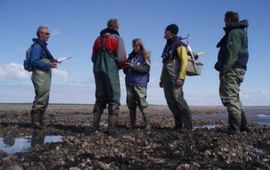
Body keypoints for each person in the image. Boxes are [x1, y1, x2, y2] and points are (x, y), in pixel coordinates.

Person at [215, 11, 249, 134]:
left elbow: (232, 54)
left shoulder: (234, 33)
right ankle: (243, 126)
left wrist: (223, 70)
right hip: (239, 68)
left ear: (229, 19)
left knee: (230, 98)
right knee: (235, 98)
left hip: (232, 69)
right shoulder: (240, 32)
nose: (224, 22)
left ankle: (234, 129)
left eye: (225, 19)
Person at [91, 19, 126, 130]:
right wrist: (117, 66)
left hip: (97, 70)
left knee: (100, 97)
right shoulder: (117, 39)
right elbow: (121, 59)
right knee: (114, 97)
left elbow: (93, 58)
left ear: (107, 26)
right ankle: (111, 128)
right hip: (110, 70)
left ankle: (94, 126)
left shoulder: (98, 39)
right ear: (117, 27)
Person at [160, 24, 193, 130]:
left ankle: (188, 126)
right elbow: (165, 63)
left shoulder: (179, 44)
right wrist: (162, 79)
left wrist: (181, 77)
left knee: (178, 99)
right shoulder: (168, 45)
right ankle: (178, 125)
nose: (164, 32)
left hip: (175, 78)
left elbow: (184, 61)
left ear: (170, 32)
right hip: (167, 78)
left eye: (166, 31)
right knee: (170, 101)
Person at [30, 26, 58, 129]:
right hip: (40, 75)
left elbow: (41, 59)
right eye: (46, 33)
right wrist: (49, 65)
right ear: (40, 34)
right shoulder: (37, 46)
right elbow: (34, 61)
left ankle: (40, 122)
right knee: (41, 97)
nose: (48, 35)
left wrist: (51, 61)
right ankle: (35, 123)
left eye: (49, 33)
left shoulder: (42, 46)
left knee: (45, 97)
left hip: (44, 75)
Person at [124, 39, 151, 130]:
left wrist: (133, 66)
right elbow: (125, 71)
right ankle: (132, 124)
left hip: (140, 84)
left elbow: (146, 69)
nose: (134, 48)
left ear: (140, 46)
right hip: (129, 83)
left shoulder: (145, 56)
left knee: (142, 104)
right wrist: (126, 67)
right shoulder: (130, 56)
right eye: (133, 46)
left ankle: (148, 125)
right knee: (131, 104)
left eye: (136, 46)